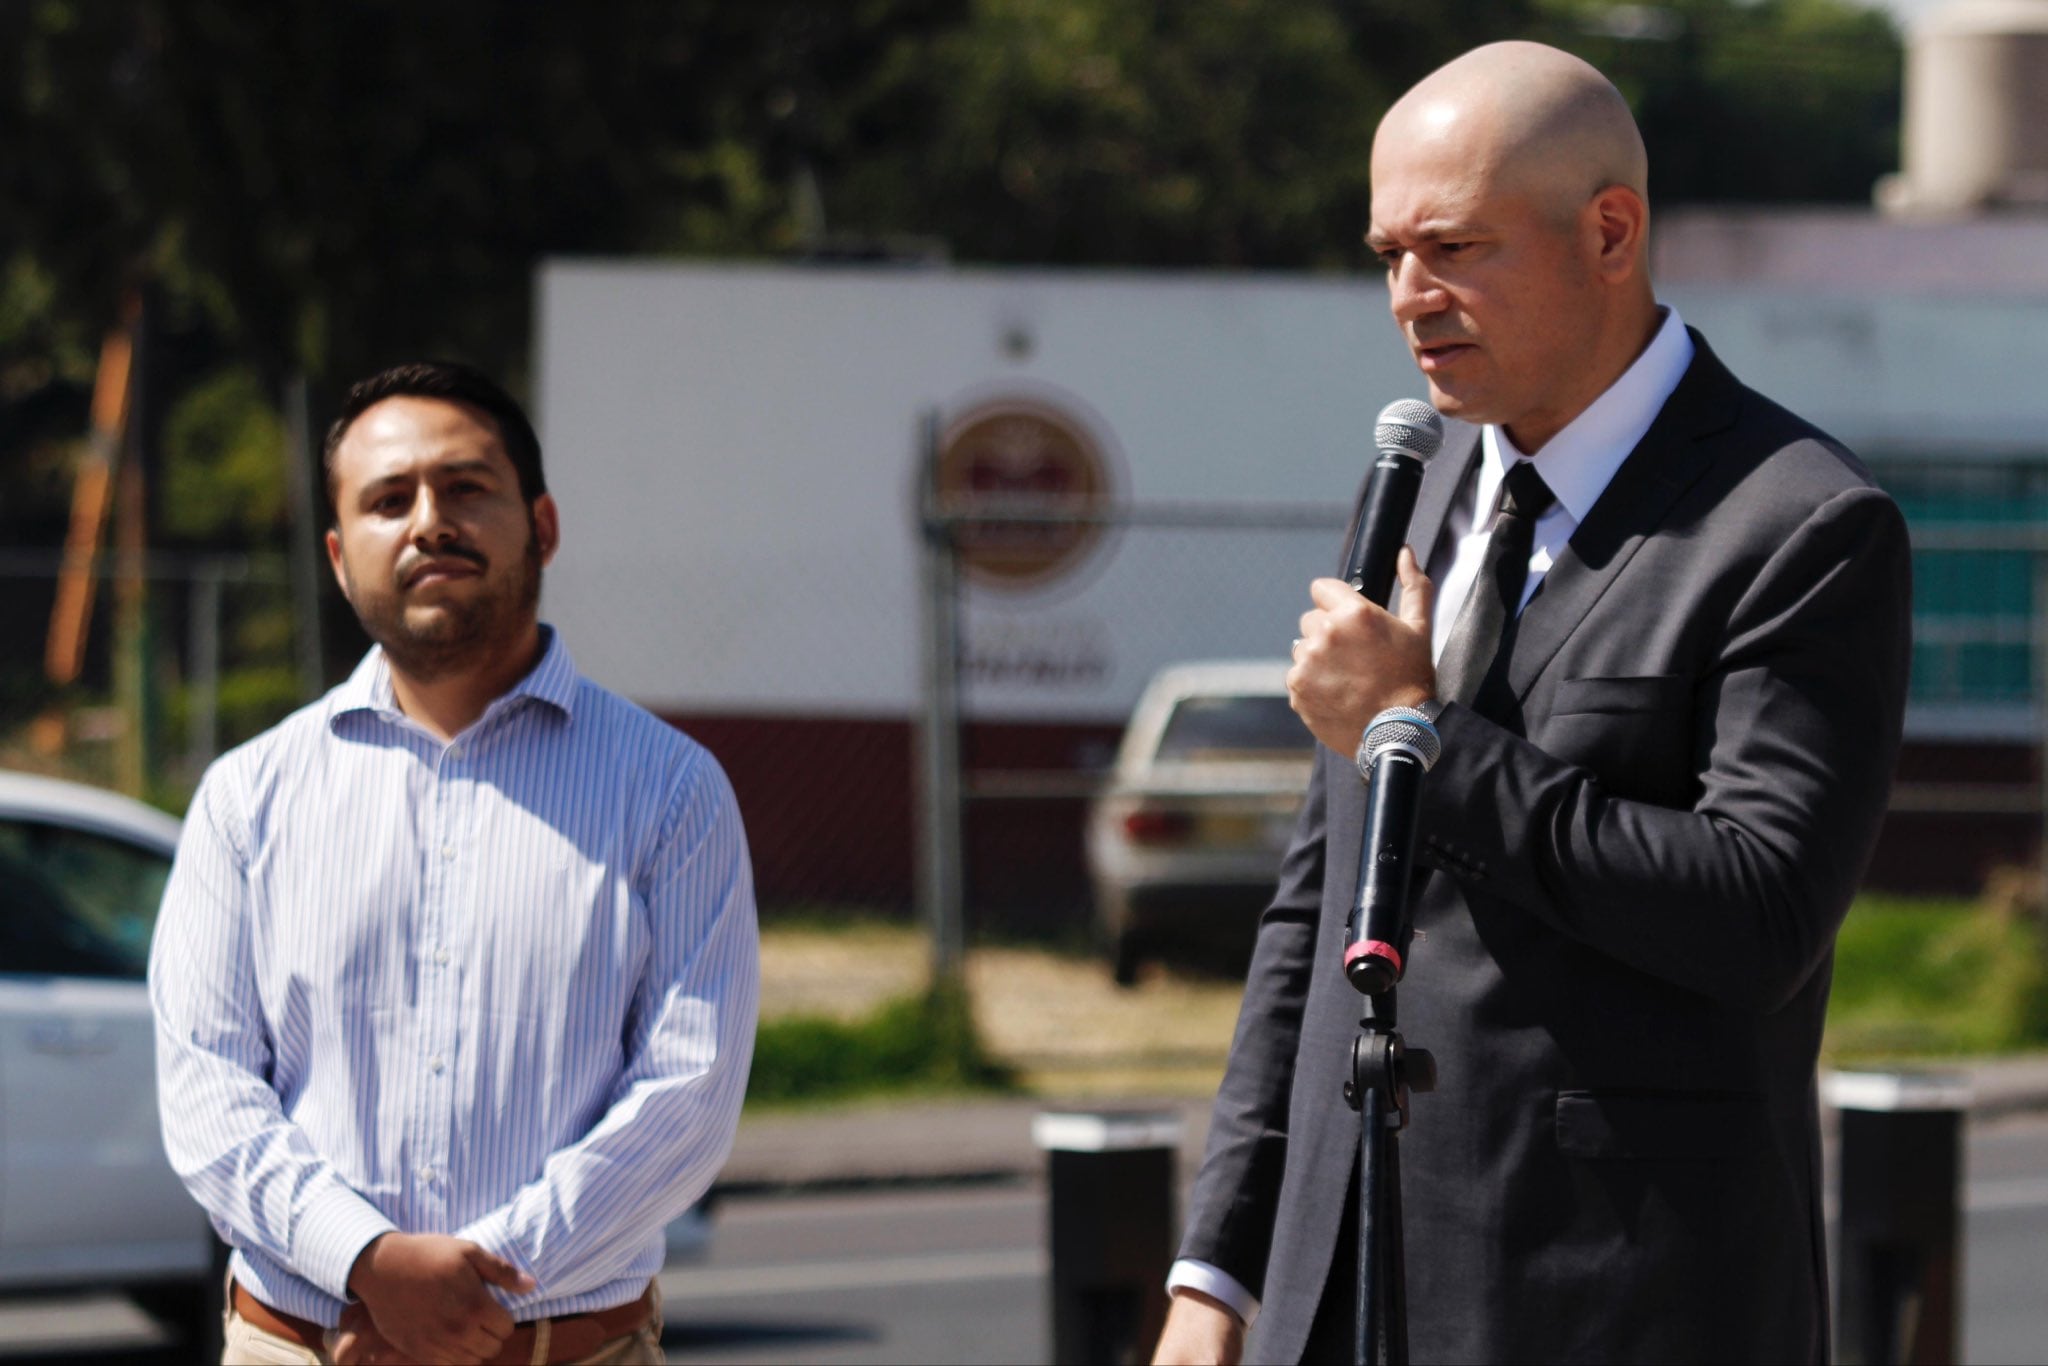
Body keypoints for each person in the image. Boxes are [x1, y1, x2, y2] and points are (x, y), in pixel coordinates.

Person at [1156, 41, 1910, 1365]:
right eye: (1389, 252)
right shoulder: (1418, 482)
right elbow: (1320, 901)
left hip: (1615, 1300)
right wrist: (1216, 1263)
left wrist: (1422, 737)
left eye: (1452, 246)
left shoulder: (1800, 524)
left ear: (1610, 231)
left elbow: (1759, 910)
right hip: (1341, 1285)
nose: (1410, 295)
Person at [149, 361, 758, 1366]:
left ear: (543, 526)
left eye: (466, 486)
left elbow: (686, 1094)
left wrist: (465, 1283)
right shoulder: (247, 797)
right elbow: (205, 1087)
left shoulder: (670, 790)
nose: (429, 520)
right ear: (342, 559)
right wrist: (368, 1261)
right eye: (389, 500)